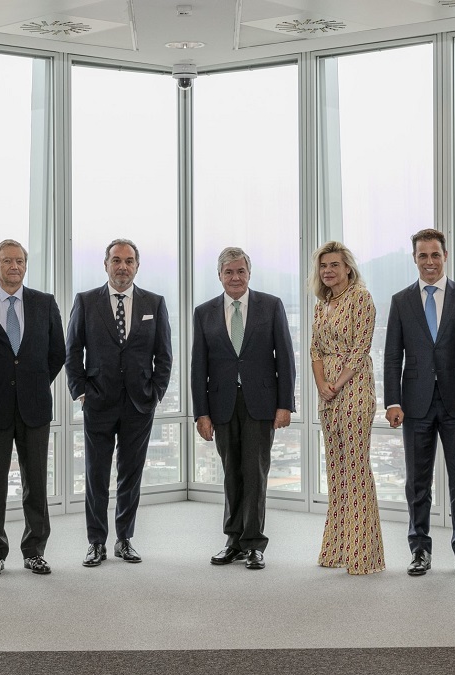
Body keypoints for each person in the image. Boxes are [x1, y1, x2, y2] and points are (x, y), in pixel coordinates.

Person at [0, 240, 65, 578]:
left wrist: (33, 383)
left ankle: (34, 551)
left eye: (19, 261)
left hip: (35, 408)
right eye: (6, 261)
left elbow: (57, 354)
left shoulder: (45, 304)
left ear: (25, 265)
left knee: (36, 483)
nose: (14, 266)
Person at [65, 239, 172, 567]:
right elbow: (72, 351)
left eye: (128, 261)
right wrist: (80, 391)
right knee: (95, 475)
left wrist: (155, 393)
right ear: (106, 264)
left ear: (137, 266)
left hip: (139, 404)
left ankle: (124, 539)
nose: (122, 266)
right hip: (98, 401)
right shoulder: (86, 302)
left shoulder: (154, 302)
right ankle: (96, 542)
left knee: (130, 474)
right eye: (116, 260)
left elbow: (164, 355)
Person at [384, 229, 455, 579]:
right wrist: (392, 401)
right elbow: (393, 355)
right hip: (415, 404)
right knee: (417, 483)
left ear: (445, 256)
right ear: (414, 258)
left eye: (435, 255)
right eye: (422, 255)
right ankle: (419, 550)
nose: (429, 262)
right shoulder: (400, 301)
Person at [191, 247, 295, 570]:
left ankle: (254, 544)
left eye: (240, 271)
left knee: (255, 472)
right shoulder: (204, 312)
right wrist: (201, 413)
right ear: (219, 276)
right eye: (228, 272)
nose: (235, 278)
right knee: (231, 474)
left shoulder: (271, 306)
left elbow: (286, 359)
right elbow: (199, 367)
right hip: (222, 404)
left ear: (249, 274)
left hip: (261, 403)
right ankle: (232, 541)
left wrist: (285, 404)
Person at [310, 241, 385, 575]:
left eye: (335, 265)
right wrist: (321, 386)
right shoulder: (320, 304)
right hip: (327, 394)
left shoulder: (361, 298)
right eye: (324, 266)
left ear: (348, 268)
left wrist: (336, 384)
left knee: (355, 468)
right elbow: (314, 350)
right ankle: (337, 549)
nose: (328, 271)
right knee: (336, 471)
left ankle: (362, 555)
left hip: (353, 390)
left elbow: (360, 348)